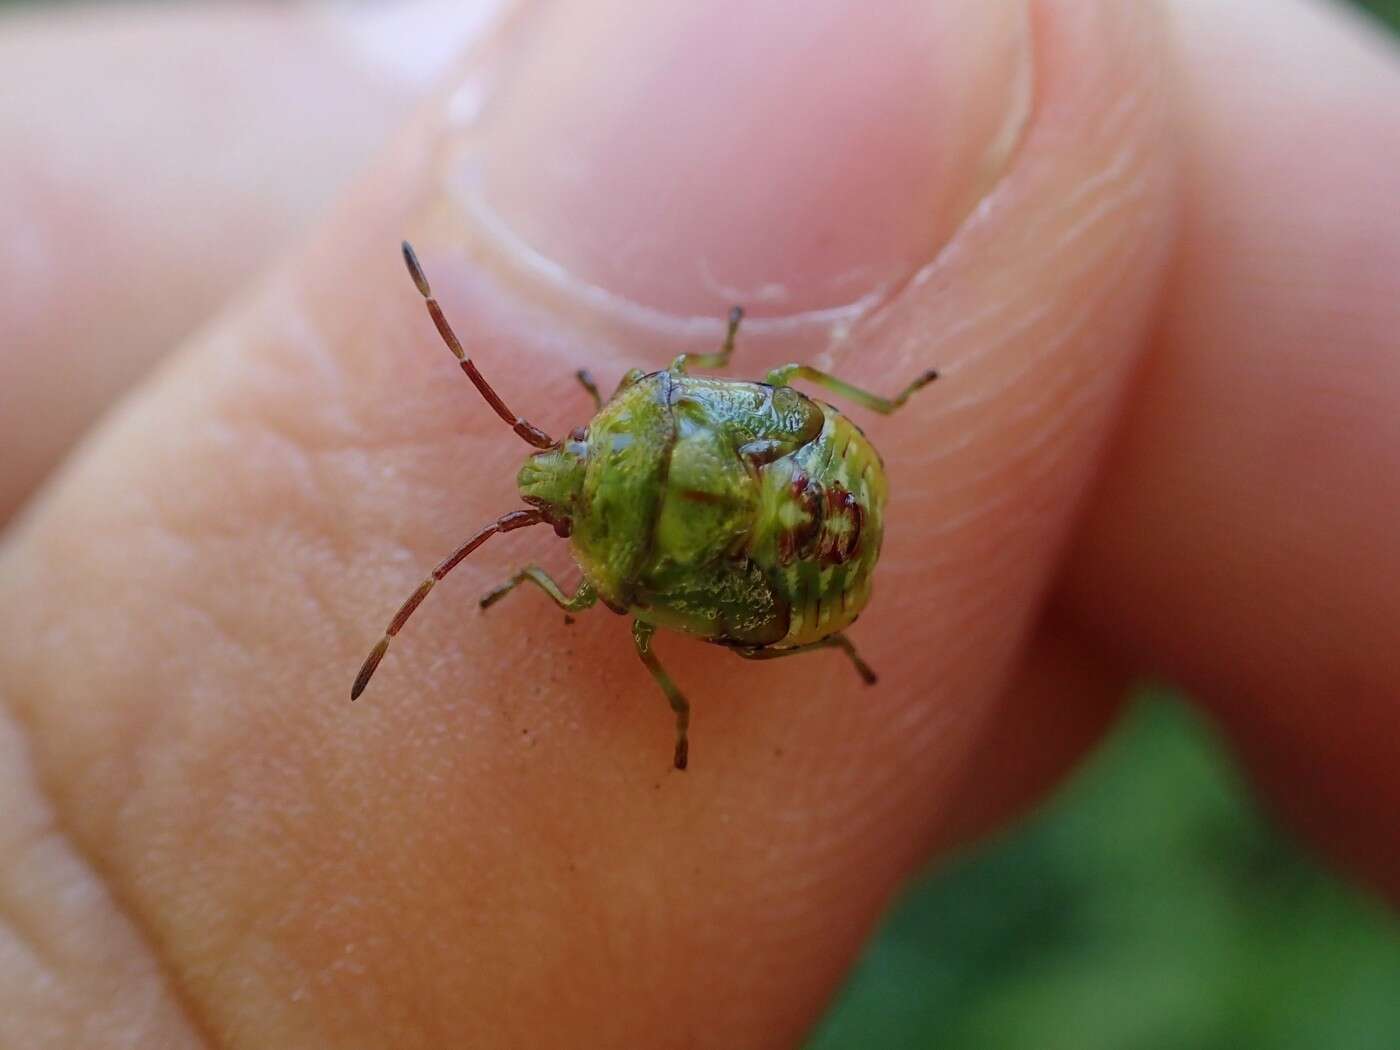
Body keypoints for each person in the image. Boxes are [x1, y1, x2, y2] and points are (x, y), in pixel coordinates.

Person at [0, 0, 1396, 1045]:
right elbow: (766, 383)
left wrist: (583, 603)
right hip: (837, 467)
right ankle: (879, 441)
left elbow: (682, 649)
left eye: (546, 479)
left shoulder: (607, 578)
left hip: (811, 577)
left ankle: (847, 593)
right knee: (785, 392)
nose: (543, 491)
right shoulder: (649, 410)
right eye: (548, 498)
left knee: (728, 601)